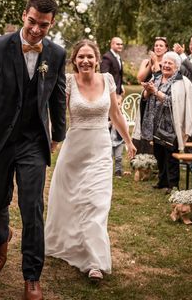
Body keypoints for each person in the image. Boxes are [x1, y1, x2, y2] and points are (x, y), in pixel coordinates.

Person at [0, 0, 67, 300]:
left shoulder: (57, 54)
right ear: (25, 15)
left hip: (33, 141)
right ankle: (1, 236)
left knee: (32, 207)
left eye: (44, 26)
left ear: (51, 24)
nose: (36, 30)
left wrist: (58, 134)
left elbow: (58, 95)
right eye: (33, 22)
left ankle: (32, 275)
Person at [45, 40, 135, 281]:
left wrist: (128, 141)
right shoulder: (68, 81)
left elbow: (115, 113)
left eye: (89, 57)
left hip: (100, 149)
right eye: (80, 57)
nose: (85, 61)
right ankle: (71, 244)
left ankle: (94, 262)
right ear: (74, 60)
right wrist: (53, 140)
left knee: (97, 202)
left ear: (97, 59)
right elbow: (57, 115)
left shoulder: (107, 80)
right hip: (74, 149)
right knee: (71, 200)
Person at [138, 51, 192, 193]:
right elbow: (145, 98)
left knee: (171, 156)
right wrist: (146, 91)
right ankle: (162, 181)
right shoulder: (156, 78)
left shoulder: (180, 82)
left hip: (171, 126)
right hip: (155, 123)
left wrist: (155, 92)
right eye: (165, 62)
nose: (166, 65)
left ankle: (173, 185)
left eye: (170, 63)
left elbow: (173, 102)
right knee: (159, 154)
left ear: (176, 67)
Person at [101, 37, 125, 176]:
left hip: (117, 91)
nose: (120, 46)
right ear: (112, 44)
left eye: (121, 44)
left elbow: (118, 75)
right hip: (109, 94)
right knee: (110, 119)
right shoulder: (107, 57)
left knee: (116, 118)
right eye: (117, 43)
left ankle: (116, 143)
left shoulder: (117, 56)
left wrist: (120, 87)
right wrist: (112, 93)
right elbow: (105, 76)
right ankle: (107, 150)